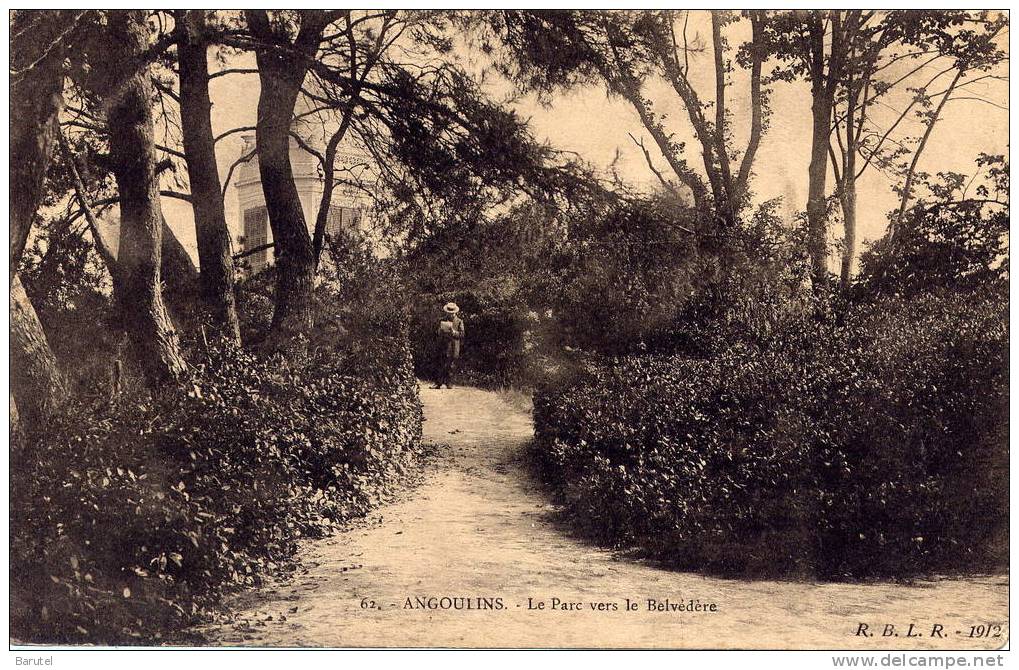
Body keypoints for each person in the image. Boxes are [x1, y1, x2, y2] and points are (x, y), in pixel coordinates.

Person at [432, 302, 465, 389]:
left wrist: (454, 332)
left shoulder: (459, 321)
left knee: (451, 365)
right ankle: (438, 383)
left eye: (452, 313)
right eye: (448, 313)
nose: (450, 315)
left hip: (454, 346)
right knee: (441, 363)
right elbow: (438, 333)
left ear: (455, 312)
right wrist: (440, 331)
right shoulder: (443, 320)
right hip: (444, 345)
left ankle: (449, 383)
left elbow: (462, 334)